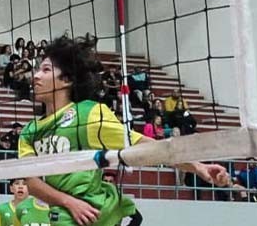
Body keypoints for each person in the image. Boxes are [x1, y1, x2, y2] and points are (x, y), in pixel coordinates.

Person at [19, 34, 230, 226]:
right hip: (64, 213)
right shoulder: (30, 131)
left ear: (67, 80)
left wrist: (198, 166)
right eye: (38, 70)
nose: (36, 76)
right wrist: (69, 202)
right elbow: (32, 181)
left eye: (45, 70)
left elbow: (145, 146)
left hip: (94, 212)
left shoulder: (88, 115)